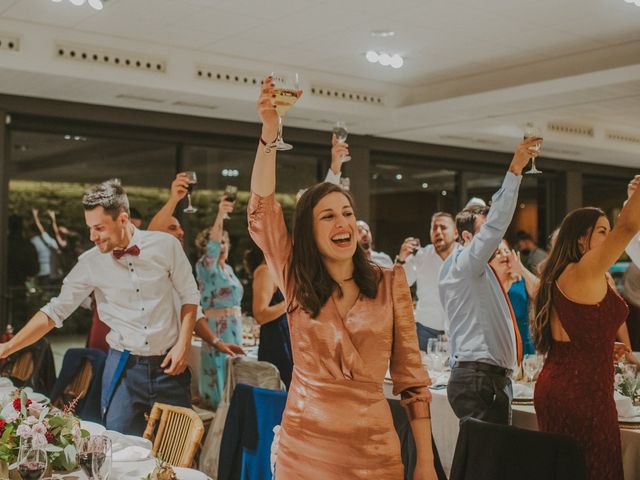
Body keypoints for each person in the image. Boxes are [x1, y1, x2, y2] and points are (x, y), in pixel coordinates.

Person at [249, 76, 436, 479]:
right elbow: (263, 212)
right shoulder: (295, 280)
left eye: (348, 213)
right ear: (310, 234)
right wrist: (269, 133)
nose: (343, 222)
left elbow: (412, 380)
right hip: (304, 447)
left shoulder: (389, 282)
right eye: (329, 216)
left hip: (373, 451)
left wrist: (424, 462)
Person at [0, 179, 200, 435]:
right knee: (118, 444)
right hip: (123, 367)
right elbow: (54, 312)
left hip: (170, 365)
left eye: (99, 228)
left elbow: (189, 294)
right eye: (89, 228)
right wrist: (8, 347)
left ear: (123, 219)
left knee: (174, 445)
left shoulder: (166, 246)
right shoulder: (90, 262)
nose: (92, 237)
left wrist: (184, 343)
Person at [532, 179, 640, 479]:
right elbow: (628, 227)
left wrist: (603, 345)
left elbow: (576, 332)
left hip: (556, 385)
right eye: (602, 231)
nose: (609, 238)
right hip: (583, 396)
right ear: (582, 240)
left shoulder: (563, 274)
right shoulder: (586, 270)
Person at [439, 136, 540, 425]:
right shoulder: (465, 263)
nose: (492, 241)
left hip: (480, 377)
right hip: (480, 379)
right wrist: (515, 169)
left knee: (481, 461)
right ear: (468, 238)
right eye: (484, 235)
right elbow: (496, 225)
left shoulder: (470, 271)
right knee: (487, 464)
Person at [147, 173, 244, 359]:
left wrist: (217, 343)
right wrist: (175, 199)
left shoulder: (180, 269)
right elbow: (152, 234)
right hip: (150, 352)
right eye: (173, 228)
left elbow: (193, 312)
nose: (181, 232)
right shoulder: (201, 266)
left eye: (180, 228)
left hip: (192, 344)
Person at [196, 198, 244, 409]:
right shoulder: (206, 268)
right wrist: (220, 215)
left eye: (224, 241)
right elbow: (213, 248)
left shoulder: (230, 270)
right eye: (218, 243)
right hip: (216, 329)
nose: (221, 246)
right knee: (219, 377)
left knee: (235, 377)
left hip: (235, 327)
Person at [396, 212, 458, 351]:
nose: (438, 232)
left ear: (455, 233)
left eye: (443, 227)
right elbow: (401, 283)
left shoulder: (464, 256)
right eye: (434, 228)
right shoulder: (422, 255)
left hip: (458, 331)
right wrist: (401, 259)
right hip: (426, 331)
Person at [245, 246, 293, 388]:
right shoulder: (265, 271)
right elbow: (260, 314)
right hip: (276, 341)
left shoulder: (276, 270)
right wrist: (291, 301)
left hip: (285, 336)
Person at [489, 240, 539, 356]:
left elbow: (542, 293)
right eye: (497, 252)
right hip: (496, 353)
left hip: (524, 351)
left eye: (506, 251)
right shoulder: (486, 288)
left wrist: (520, 269)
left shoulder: (521, 281)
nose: (504, 254)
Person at [30, 208, 61, 284]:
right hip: (54, 273)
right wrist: (53, 218)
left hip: (44, 272)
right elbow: (56, 231)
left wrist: (35, 216)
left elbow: (41, 229)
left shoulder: (47, 239)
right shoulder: (54, 242)